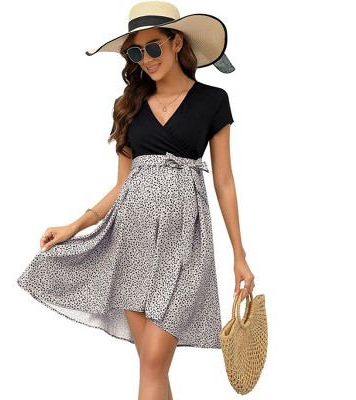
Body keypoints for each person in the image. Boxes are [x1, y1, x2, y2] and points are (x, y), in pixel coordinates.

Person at [17, 1, 255, 399]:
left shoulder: (213, 100)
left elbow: (225, 182)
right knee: (151, 363)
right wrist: (74, 226)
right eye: (136, 52)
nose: (146, 59)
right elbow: (121, 186)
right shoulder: (127, 107)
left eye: (154, 47)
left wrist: (239, 255)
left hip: (184, 242)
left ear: (177, 42)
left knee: (153, 360)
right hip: (132, 242)